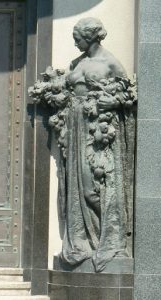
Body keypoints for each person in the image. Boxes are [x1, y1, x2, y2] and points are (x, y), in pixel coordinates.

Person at [29, 17, 136, 272]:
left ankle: (110, 238)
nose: (75, 42)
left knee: (95, 188)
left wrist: (113, 103)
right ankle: (84, 241)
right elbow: (66, 90)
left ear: (91, 37)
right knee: (79, 187)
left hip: (96, 131)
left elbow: (127, 95)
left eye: (78, 38)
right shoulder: (77, 63)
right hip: (76, 128)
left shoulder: (110, 62)